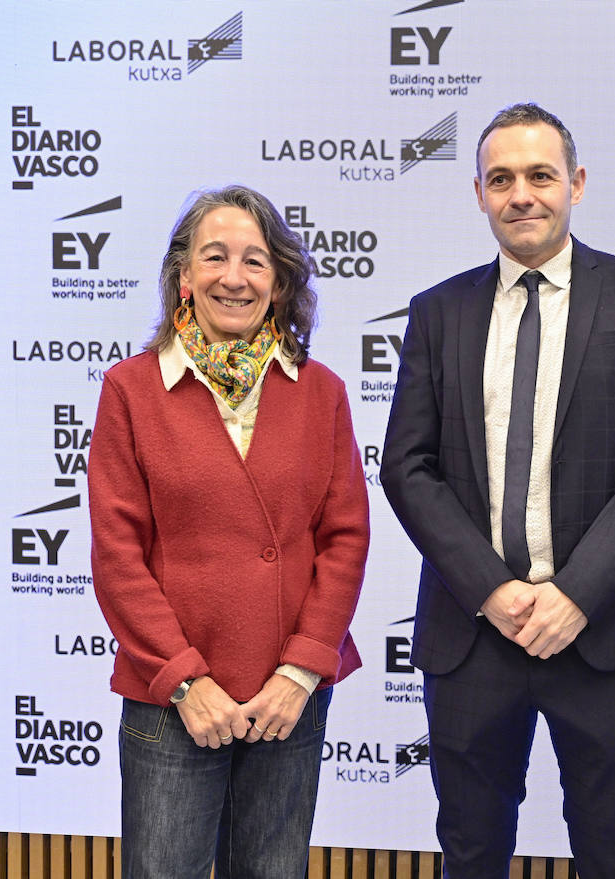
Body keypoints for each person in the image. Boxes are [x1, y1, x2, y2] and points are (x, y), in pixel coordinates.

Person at [381, 102, 615, 879]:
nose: (522, 194)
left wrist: (575, 593)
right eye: (501, 178)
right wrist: (492, 590)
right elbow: (406, 467)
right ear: (479, 193)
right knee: (472, 851)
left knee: (612, 849)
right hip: (473, 632)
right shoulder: (436, 312)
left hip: (604, 628)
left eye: (540, 175)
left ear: (576, 184)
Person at [88, 184, 369, 878]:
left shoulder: (321, 390)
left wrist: (302, 669)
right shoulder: (131, 389)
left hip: (286, 699)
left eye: (254, 260)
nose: (234, 277)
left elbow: (345, 538)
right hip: (173, 697)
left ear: (278, 283)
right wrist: (186, 680)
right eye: (215, 257)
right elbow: (118, 555)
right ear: (184, 276)